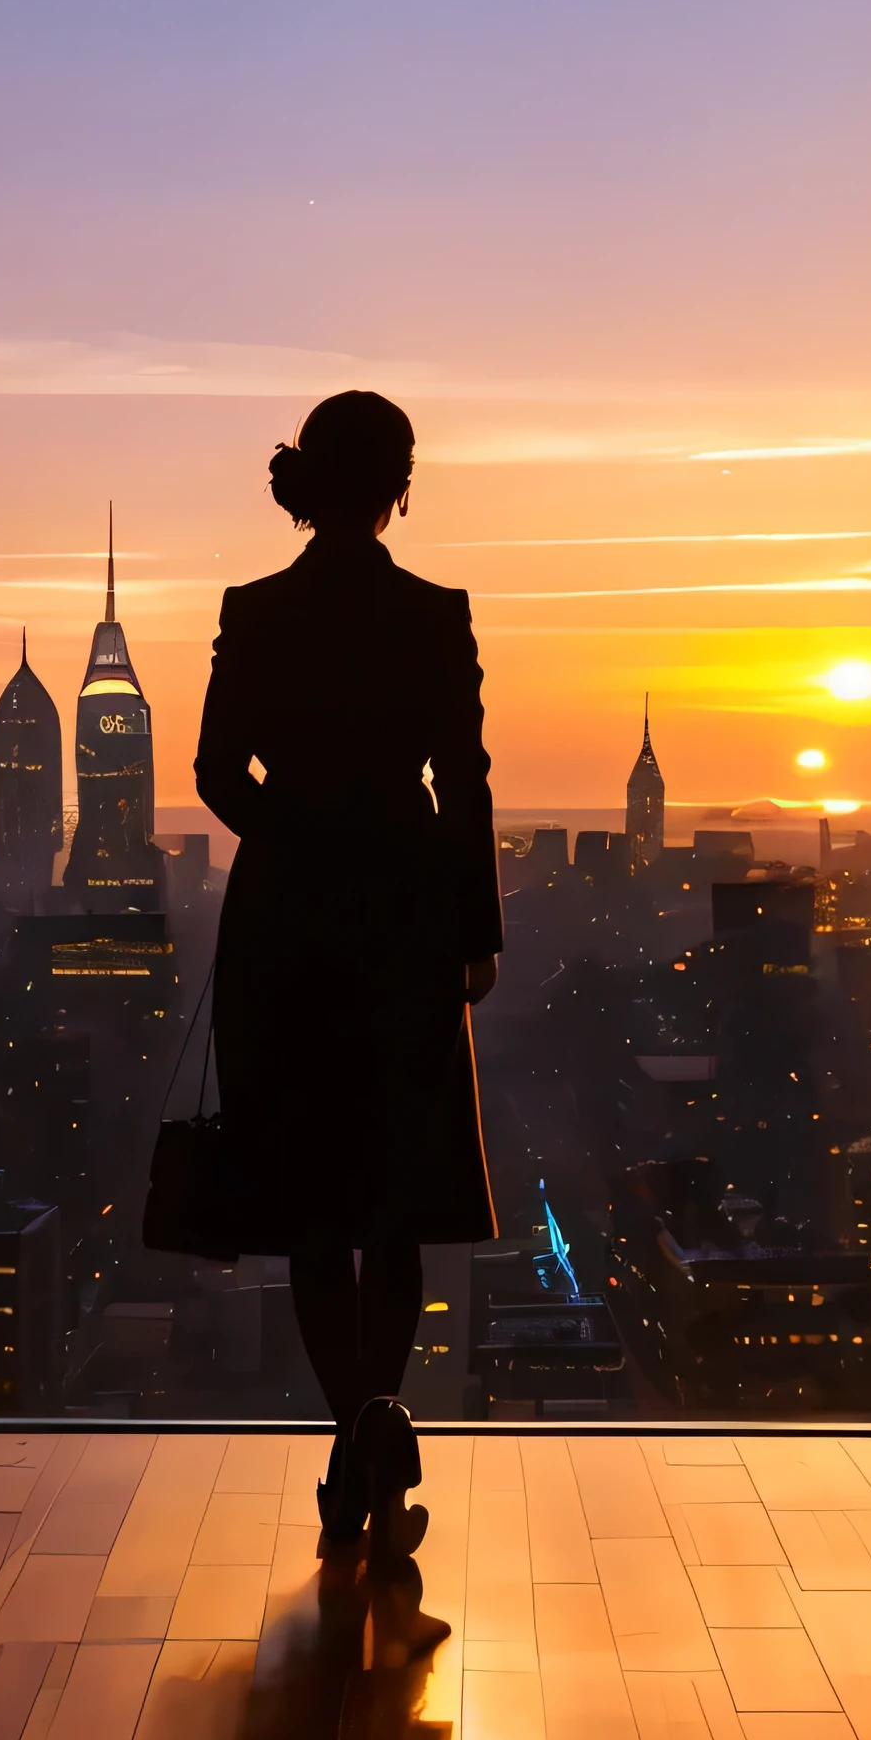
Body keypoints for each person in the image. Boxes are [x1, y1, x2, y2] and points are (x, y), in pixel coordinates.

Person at [193, 389, 500, 1549]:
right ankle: (377, 1424)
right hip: (407, 915)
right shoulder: (435, 615)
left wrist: (292, 834)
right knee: (396, 1185)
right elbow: (465, 783)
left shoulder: (255, 611)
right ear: (400, 486)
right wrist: (476, 933)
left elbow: (221, 771)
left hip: (285, 918)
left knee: (314, 1193)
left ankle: (356, 1435)